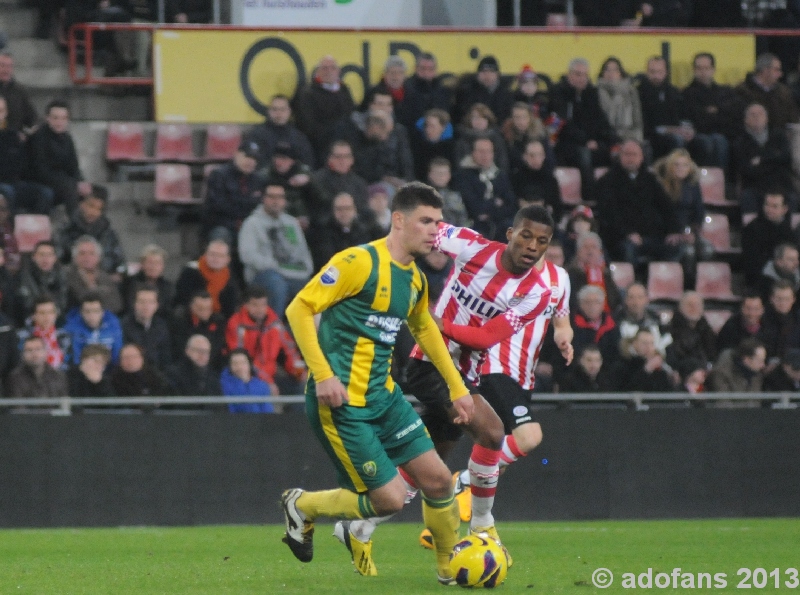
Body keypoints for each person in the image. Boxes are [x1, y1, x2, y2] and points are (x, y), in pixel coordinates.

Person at [338, 205, 557, 571]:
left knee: (431, 466)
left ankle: (358, 526)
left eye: (542, 242)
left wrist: (439, 323)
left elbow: (488, 336)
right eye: (526, 236)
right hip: (431, 363)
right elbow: (423, 232)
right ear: (510, 233)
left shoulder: (537, 293)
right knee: (492, 432)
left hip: (465, 372)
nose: (533, 246)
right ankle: (483, 524)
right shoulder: (470, 246)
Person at [282, 182, 476, 584]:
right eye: (426, 221)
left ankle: (449, 571)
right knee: (388, 499)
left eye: (439, 223)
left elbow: (425, 331)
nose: (434, 231)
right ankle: (303, 506)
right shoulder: (358, 262)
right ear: (399, 220)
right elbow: (299, 308)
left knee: (440, 480)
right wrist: (323, 374)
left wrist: (458, 389)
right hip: (342, 403)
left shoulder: (416, 280)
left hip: (384, 398)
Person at [595, 140, 685, 272]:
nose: (630, 158)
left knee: (678, 246)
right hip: (621, 238)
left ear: (641, 157)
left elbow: (667, 207)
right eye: (627, 154)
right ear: (620, 157)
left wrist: (674, 230)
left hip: (652, 236)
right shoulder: (607, 181)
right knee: (628, 250)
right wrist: (627, 233)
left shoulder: (651, 180)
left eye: (634, 154)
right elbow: (608, 214)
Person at [238, 183, 314, 320]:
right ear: (263, 199)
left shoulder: (291, 223)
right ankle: (273, 330)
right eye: (271, 196)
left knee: (313, 289)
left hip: (293, 274)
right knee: (277, 285)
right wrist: (276, 267)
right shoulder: (252, 223)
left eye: (280, 197)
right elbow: (247, 256)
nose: (275, 201)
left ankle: (304, 336)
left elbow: (303, 252)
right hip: (262, 275)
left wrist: (306, 269)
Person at [550, 57, 617, 199]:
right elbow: (563, 125)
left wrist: (603, 141)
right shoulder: (558, 93)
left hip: (592, 143)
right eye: (578, 74)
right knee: (584, 156)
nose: (582, 78)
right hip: (568, 146)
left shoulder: (592, 94)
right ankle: (590, 200)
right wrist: (586, 141)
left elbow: (602, 122)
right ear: (569, 74)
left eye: (585, 75)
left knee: (618, 153)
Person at [225, 284, 306, 396]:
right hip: (248, 375)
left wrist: (298, 371)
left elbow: (290, 350)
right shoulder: (236, 324)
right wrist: (267, 381)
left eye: (263, 305)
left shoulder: (274, 322)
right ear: (246, 305)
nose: (260, 309)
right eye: (255, 305)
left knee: (305, 386)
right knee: (265, 391)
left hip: (272, 372)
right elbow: (240, 360)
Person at [27, 99, 91, 214]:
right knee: (70, 187)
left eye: (63, 118)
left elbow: (74, 167)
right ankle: (75, 227)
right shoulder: (39, 137)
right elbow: (40, 170)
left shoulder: (67, 138)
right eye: (55, 118)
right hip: (40, 181)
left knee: (98, 192)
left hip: (63, 182)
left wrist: (81, 181)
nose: (59, 122)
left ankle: (98, 228)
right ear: (47, 118)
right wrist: (72, 182)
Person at [681, 52, 741, 169]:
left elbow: (731, 116)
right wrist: (717, 112)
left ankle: (721, 181)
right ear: (693, 70)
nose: (703, 72)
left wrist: (712, 113)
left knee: (719, 140)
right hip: (698, 136)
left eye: (706, 68)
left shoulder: (724, 92)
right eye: (699, 68)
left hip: (721, 134)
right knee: (711, 142)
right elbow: (695, 118)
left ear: (713, 70)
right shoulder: (687, 93)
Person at [731, 104, 794, 215]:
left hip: (781, 185)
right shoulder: (740, 142)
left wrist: (761, 160)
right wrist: (774, 158)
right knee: (748, 197)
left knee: (793, 198)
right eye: (753, 115)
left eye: (760, 114)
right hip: (755, 186)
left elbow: (786, 159)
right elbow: (746, 170)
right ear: (746, 120)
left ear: (767, 118)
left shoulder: (779, 136)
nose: (757, 117)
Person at [202, 140, 267, 246]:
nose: (251, 161)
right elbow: (218, 206)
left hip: (251, 225)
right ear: (237, 155)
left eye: (254, 158)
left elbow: (261, 207)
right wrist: (247, 205)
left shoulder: (259, 180)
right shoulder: (219, 175)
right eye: (247, 156)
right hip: (224, 225)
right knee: (221, 235)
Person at [453, 135, 516, 241]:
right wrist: (495, 203)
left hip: (501, 225)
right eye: (481, 151)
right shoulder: (463, 176)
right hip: (474, 227)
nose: (485, 155)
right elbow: (473, 207)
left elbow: (511, 205)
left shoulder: (499, 175)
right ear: (473, 153)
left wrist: (489, 212)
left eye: (488, 151)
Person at [55, 184, 126, 277]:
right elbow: (57, 261)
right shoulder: (66, 230)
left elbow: (121, 263)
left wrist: (119, 274)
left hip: (104, 282)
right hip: (73, 281)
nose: (94, 212)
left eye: (99, 209)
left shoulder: (109, 234)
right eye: (91, 206)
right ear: (81, 204)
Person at [294, 56, 355, 164]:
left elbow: (350, 116)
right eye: (325, 68)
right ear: (318, 71)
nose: (329, 72)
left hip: (346, 144)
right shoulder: (307, 94)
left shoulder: (344, 90)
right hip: (321, 147)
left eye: (332, 68)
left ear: (338, 71)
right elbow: (308, 125)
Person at [638, 56, 699, 161]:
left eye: (660, 72)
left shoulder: (673, 92)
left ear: (666, 72)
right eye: (652, 72)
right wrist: (670, 130)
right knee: (677, 140)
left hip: (676, 132)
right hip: (652, 135)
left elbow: (683, 114)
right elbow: (646, 124)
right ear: (646, 72)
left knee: (707, 141)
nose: (656, 76)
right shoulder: (639, 93)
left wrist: (688, 129)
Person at [0, 96, 52, 215]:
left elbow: (23, 164)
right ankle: (11, 230)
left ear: (6, 113)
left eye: (1, 111)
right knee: (7, 193)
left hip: (14, 183)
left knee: (45, 193)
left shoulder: (13, 136)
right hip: (4, 186)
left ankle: (34, 230)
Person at [312, 191, 381, 271]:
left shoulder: (365, 231)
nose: (344, 213)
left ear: (355, 210)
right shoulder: (323, 232)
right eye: (339, 209)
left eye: (348, 208)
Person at [309, 140, 371, 230]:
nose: (342, 161)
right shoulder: (316, 181)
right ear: (330, 159)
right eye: (338, 157)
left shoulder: (359, 184)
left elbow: (362, 210)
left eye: (346, 157)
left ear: (352, 160)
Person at [173, 239, 240, 319]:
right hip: (191, 318)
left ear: (227, 259)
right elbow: (183, 299)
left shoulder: (229, 277)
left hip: (219, 319)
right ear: (205, 254)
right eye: (212, 254)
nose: (216, 258)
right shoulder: (191, 271)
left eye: (220, 256)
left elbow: (231, 305)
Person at [243, 94, 315, 169]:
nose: (279, 113)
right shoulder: (257, 135)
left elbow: (307, 165)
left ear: (289, 112)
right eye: (275, 109)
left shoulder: (299, 138)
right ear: (269, 111)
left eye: (282, 109)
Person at [741, 192, 796, 287]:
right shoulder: (752, 228)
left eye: (775, 206)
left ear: (784, 209)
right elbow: (751, 261)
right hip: (761, 278)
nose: (769, 210)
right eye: (767, 205)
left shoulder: (789, 232)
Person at [735, 53, 800, 130]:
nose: (780, 74)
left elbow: (793, 118)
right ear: (765, 70)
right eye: (776, 70)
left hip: (782, 137)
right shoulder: (742, 91)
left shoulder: (784, 92)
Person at [565, 230, 621, 315]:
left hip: (607, 319)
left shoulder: (606, 274)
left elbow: (615, 300)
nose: (590, 251)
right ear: (578, 252)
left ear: (600, 252)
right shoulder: (570, 274)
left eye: (594, 247)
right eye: (586, 247)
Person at [570, 284, 621, 375]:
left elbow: (615, 353)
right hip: (576, 373)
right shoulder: (571, 324)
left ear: (602, 305)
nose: (592, 306)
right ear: (580, 304)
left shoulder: (612, 324)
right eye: (587, 302)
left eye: (596, 302)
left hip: (607, 373)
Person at [64, 235, 123, 314]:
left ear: (98, 257)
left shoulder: (105, 277)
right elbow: (80, 299)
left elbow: (116, 305)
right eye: (82, 253)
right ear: (75, 257)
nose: (87, 257)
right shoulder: (66, 275)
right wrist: (100, 292)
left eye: (91, 253)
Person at [63, 291, 123, 365]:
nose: (91, 316)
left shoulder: (114, 328)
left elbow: (117, 355)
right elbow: (74, 359)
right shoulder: (71, 330)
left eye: (96, 311)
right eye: (87, 312)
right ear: (81, 313)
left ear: (103, 312)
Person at [510, 139, 562, 224]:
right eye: (532, 155)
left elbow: (557, 208)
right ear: (524, 156)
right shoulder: (515, 177)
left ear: (544, 156)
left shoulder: (550, 179)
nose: (536, 159)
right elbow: (511, 202)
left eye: (539, 155)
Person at [15, 240, 68, 324]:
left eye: (49, 255)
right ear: (34, 257)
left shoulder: (61, 275)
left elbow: (63, 302)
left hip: (56, 321)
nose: (45, 259)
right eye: (41, 255)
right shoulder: (24, 276)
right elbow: (27, 304)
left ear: (55, 258)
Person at [171, 290, 226, 369]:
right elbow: (180, 348)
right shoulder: (181, 321)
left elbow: (217, 347)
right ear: (191, 306)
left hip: (211, 365)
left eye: (208, 308)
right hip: (186, 365)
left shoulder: (218, 321)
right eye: (200, 308)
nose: (205, 312)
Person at [453, 55, 513, 126]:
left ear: (497, 74)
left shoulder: (506, 93)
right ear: (477, 74)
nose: (487, 75)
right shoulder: (466, 92)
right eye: (484, 72)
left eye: (491, 72)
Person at [609, 328, 676, 393]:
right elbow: (627, 389)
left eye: (651, 343)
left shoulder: (659, 367)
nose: (649, 347)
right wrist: (646, 370)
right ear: (635, 343)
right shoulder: (623, 363)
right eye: (645, 343)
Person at [616, 282, 671, 359]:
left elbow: (666, 340)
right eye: (631, 297)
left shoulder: (655, 319)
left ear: (646, 299)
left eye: (640, 297)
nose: (636, 302)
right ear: (626, 300)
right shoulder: (616, 321)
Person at [121, 287, 172, 371]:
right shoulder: (123, 325)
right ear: (134, 304)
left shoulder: (161, 326)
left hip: (156, 375)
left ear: (157, 305)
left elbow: (166, 358)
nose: (146, 306)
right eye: (142, 302)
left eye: (151, 302)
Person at [452, 103, 509, 174]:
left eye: (483, 118)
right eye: (475, 118)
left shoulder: (497, 139)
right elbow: (458, 163)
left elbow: (502, 162)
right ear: (470, 120)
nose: (479, 121)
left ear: (488, 120)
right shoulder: (462, 140)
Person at [596, 56, 644, 142]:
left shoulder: (631, 91)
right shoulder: (595, 92)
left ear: (620, 73)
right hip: (604, 137)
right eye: (607, 69)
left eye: (615, 70)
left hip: (629, 136)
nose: (611, 73)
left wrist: (638, 137)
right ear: (602, 73)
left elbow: (637, 118)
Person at [16, 295, 70, 371]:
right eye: (42, 313)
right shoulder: (22, 336)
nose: (47, 317)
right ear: (33, 316)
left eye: (50, 312)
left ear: (56, 315)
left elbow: (68, 363)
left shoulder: (64, 336)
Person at [666, 291, 717, 369]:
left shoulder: (707, 331)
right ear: (680, 307)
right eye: (689, 305)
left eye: (697, 305)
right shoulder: (671, 330)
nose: (694, 308)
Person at [6, 335, 68, 400]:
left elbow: (64, 405)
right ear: (23, 354)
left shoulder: (58, 376)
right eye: (29, 350)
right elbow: (17, 407)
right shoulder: (15, 378)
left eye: (38, 349)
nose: (34, 354)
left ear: (45, 352)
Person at [121, 244, 174, 318]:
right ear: (142, 264)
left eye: (157, 263)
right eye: (150, 262)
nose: (153, 267)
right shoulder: (129, 283)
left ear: (163, 266)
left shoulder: (168, 287)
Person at [402, 52, 453, 130]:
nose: (426, 72)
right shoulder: (406, 88)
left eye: (430, 69)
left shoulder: (442, 90)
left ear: (435, 70)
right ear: (416, 68)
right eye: (423, 68)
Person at [166, 334, 222, 399]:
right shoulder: (173, 374)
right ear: (187, 351)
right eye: (199, 351)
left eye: (206, 352)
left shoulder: (213, 377)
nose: (202, 355)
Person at [220, 348, 274, 413]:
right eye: (235, 363)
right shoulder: (224, 386)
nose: (239, 367)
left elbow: (267, 411)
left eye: (243, 363)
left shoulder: (262, 385)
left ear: (249, 364)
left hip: (259, 422)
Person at [411, 108, 455, 182]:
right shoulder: (416, 146)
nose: (428, 129)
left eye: (432, 126)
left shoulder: (450, 148)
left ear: (442, 127)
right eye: (426, 126)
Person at [0, 51, 37, 134]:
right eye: (2, 65)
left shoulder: (20, 91)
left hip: (15, 141)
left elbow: (32, 118)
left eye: (9, 66)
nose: (6, 70)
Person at [426, 158, 468, 228]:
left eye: (444, 173)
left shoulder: (455, 196)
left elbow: (462, 219)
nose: (441, 177)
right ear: (430, 175)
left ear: (449, 175)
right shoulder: (422, 197)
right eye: (438, 174)